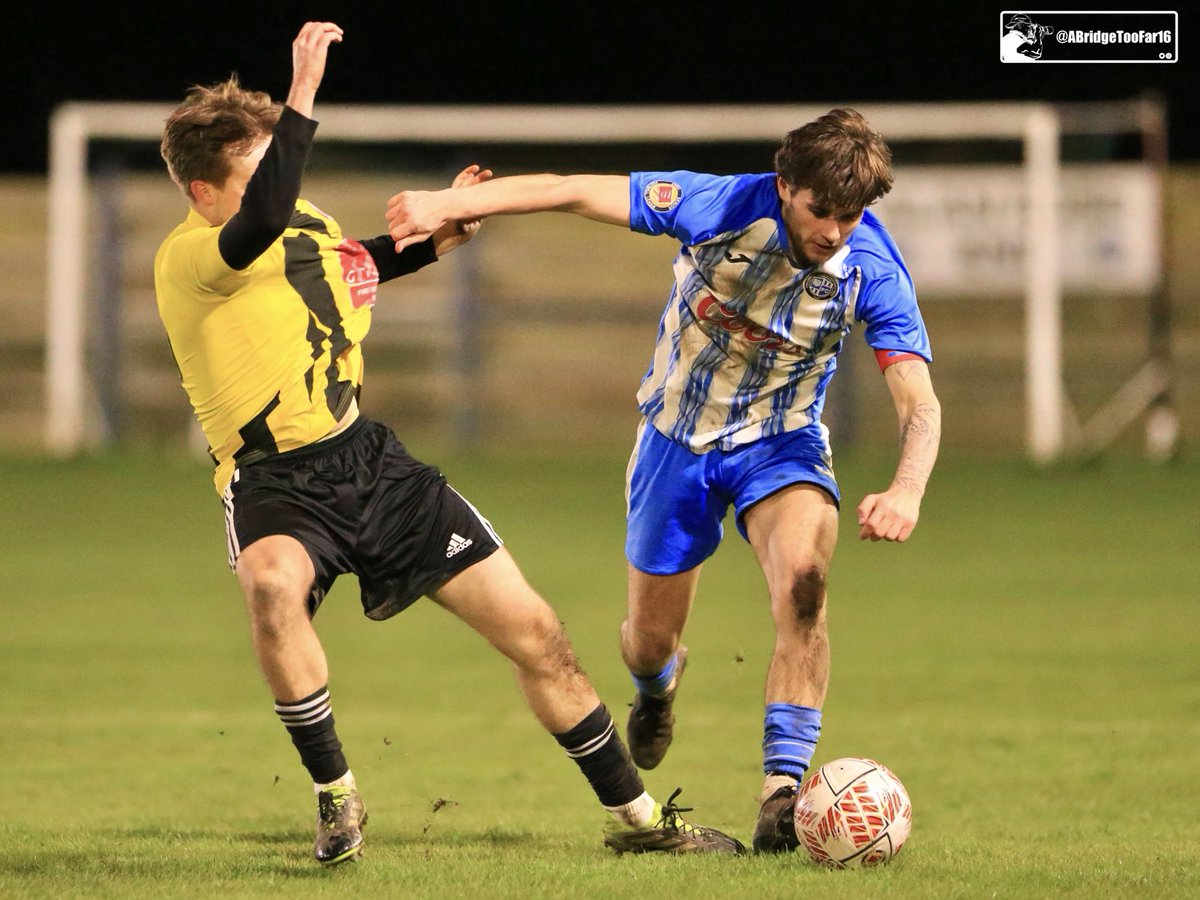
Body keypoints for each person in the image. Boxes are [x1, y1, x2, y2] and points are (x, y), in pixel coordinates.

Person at [153, 21, 743, 866]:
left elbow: (345, 264)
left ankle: (643, 824)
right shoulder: (191, 258)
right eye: (250, 176)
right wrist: (302, 96)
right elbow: (262, 225)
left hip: (371, 464)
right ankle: (337, 798)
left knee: (539, 633)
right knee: (272, 586)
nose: (272, 189)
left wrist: (433, 240)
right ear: (205, 194)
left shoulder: (297, 220)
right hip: (275, 483)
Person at [384, 107, 942, 853]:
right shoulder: (718, 206)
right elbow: (574, 190)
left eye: (851, 215)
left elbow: (920, 400)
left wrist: (906, 488)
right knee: (648, 643)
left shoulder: (870, 267)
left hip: (783, 444)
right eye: (822, 211)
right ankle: (658, 687)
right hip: (675, 442)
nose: (835, 230)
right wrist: (450, 204)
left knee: (804, 587)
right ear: (785, 187)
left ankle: (781, 793)